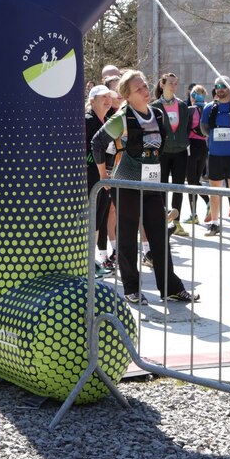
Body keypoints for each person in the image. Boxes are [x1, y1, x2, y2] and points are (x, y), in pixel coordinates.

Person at [91, 70, 193, 305]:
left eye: (145, 86)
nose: (145, 91)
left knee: (159, 235)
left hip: (151, 184)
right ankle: (131, 289)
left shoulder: (157, 114)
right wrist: (103, 175)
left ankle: (171, 288)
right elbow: (97, 142)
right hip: (126, 184)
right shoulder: (122, 118)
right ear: (127, 95)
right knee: (127, 238)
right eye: (139, 89)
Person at [201, 77, 230, 236]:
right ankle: (214, 223)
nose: (220, 89)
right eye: (217, 86)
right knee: (214, 190)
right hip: (215, 154)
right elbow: (204, 129)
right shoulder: (209, 108)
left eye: (224, 86)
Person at [151, 72, 191, 237]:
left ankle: (176, 222)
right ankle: (161, 220)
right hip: (163, 152)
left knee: (178, 187)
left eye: (176, 83)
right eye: (170, 83)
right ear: (162, 85)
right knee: (161, 187)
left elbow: (186, 127)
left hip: (180, 151)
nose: (174, 86)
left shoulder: (182, 105)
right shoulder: (155, 106)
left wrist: (183, 141)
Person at [85, 84, 115, 275]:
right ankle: (86, 263)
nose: (108, 100)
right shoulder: (87, 120)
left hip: (104, 180)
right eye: (103, 96)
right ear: (92, 100)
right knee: (91, 220)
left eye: (109, 97)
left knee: (98, 220)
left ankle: (91, 261)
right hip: (91, 179)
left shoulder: (108, 122)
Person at [183, 84, 210, 226]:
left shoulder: (190, 110)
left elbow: (186, 130)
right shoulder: (208, 108)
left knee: (191, 182)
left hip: (191, 147)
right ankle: (207, 204)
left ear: (193, 96)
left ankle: (194, 213)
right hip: (204, 147)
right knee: (196, 180)